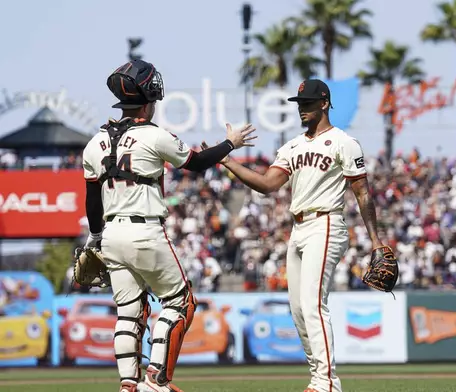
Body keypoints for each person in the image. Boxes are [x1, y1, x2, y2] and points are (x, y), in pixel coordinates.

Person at [81, 59, 255, 392]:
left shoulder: (94, 143)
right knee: (179, 302)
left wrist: (95, 238)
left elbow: (93, 201)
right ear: (150, 98)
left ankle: (128, 385)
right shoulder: (154, 136)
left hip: (111, 234)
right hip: (145, 230)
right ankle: (156, 379)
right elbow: (198, 163)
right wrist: (230, 143)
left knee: (129, 311)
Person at [217, 79, 388, 392]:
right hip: (298, 229)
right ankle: (316, 377)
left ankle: (327, 381)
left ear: (324, 103)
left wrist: (376, 242)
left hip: (326, 223)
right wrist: (228, 161)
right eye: (299, 104)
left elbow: (362, 193)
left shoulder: (343, 142)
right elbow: (268, 184)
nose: (302, 109)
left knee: (312, 304)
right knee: (297, 310)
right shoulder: (292, 146)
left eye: (308, 103)